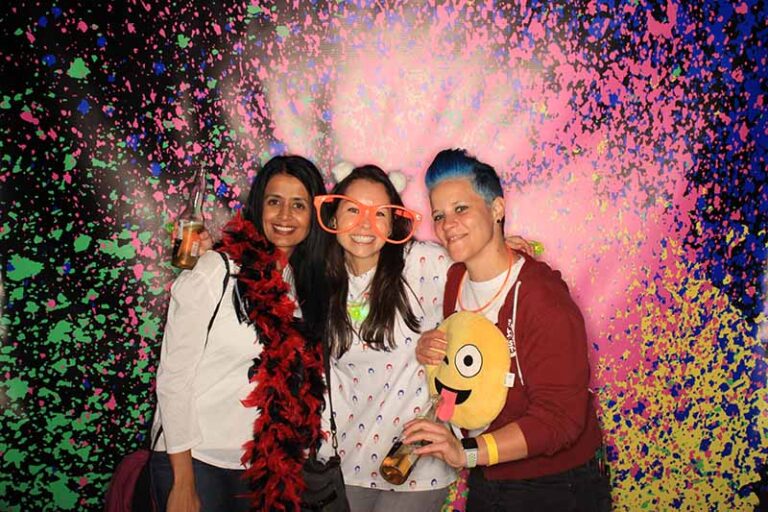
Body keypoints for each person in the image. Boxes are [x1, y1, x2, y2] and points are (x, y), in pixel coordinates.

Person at [404, 149, 612, 511]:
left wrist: (466, 452)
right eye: (439, 215)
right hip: (489, 476)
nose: (448, 225)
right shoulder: (456, 279)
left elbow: (561, 419)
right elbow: (477, 365)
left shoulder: (544, 300)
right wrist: (432, 351)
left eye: (461, 209)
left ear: (497, 209)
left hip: (556, 486)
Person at [149, 155, 328, 512]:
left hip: (260, 470)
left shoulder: (304, 285)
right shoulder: (216, 269)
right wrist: (183, 481)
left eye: (299, 205)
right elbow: (173, 378)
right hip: (194, 460)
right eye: (274, 202)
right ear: (258, 206)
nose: (285, 216)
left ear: (314, 215)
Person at [314, 165, 458, 511]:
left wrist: (498, 250)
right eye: (353, 210)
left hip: (415, 462)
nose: (365, 224)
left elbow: (482, 287)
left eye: (379, 213)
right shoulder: (318, 279)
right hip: (345, 461)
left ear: (394, 224)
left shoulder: (422, 263)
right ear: (333, 217)